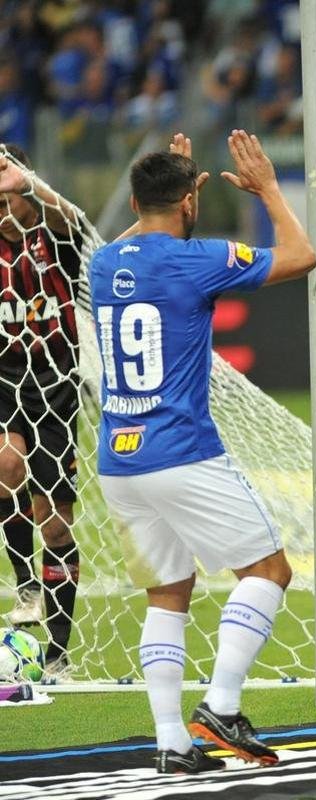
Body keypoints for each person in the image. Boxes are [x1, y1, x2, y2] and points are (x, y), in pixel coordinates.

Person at [90, 131, 315, 774]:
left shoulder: (106, 262)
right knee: (268, 571)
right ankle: (221, 703)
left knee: (168, 594)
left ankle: (171, 743)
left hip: (119, 461)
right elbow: (302, 256)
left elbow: (147, 229)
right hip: (182, 452)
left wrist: (172, 185)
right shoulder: (198, 259)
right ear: (192, 201)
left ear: (136, 200)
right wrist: (268, 187)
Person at [0, 143, 84, 682]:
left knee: (55, 524)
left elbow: (71, 217)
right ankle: (25, 582)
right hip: (6, 376)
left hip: (56, 384)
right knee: (6, 467)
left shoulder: (55, 237)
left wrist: (23, 181)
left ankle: (57, 652)